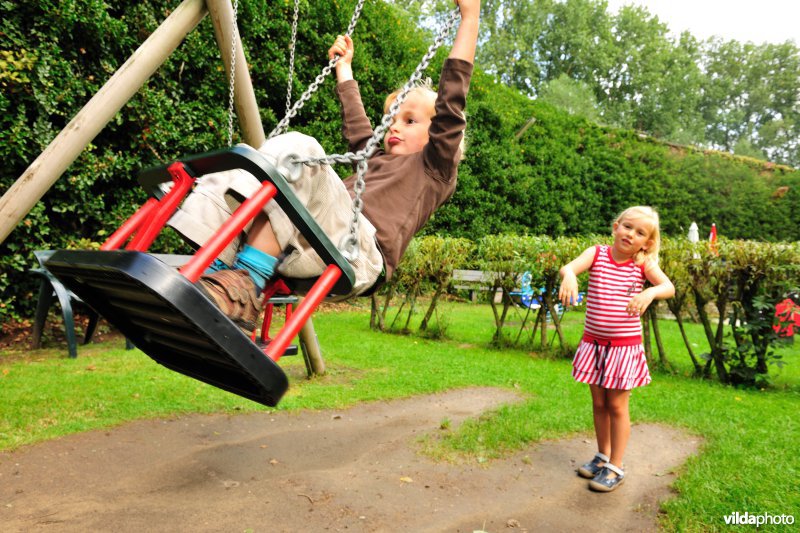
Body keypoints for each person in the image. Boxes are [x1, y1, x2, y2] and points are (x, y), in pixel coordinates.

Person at [167, 0, 480, 334]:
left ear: (437, 134)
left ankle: (244, 288)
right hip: (312, 244)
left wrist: (470, 18)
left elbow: (452, 100)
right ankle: (214, 270)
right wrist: (344, 68)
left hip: (359, 254)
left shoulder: (434, 168)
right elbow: (358, 125)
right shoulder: (375, 159)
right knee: (247, 159)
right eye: (392, 120)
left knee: (302, 151)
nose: (394, 127)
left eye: (410, 120)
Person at [558, 206, 675, 492]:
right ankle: (602, 456)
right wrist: (570, 276)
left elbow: (669, 287)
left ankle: (616, 466)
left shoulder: (642, 264)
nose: (630, 234)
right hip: (594, 346)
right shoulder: (596, 254)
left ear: (646, 242)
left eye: (640, 232)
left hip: (623, 350)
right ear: (615, 227)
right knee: (599, 404)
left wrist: (649, 291)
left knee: (617, 406)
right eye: (627, 227)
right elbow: (569, 267)